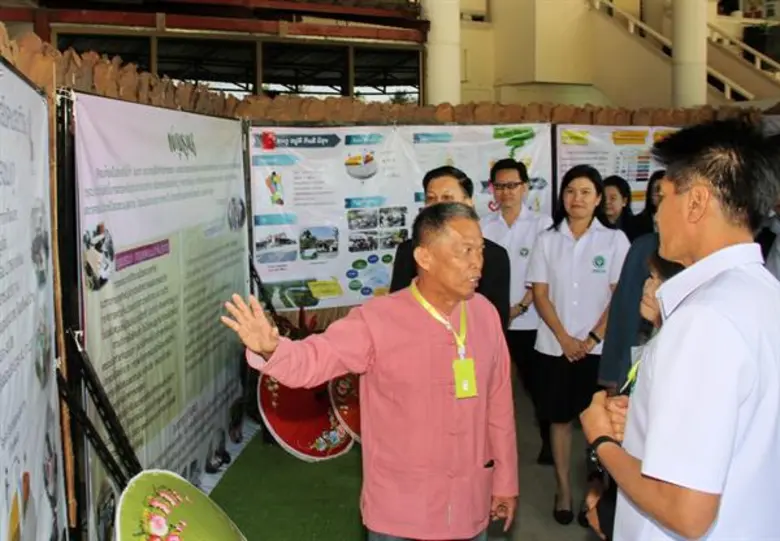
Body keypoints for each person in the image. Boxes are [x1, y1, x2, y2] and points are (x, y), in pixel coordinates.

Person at [223, 202, 519, 541]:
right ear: (424, 258)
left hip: (470, 506)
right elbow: (316, 358)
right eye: (465, 251)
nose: (477, 263)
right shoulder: (378, 319)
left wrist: (506, 480)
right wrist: (271, 349)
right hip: (401, 512)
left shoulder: (484, 315)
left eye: (480, 250)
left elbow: (499, 406)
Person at [580, 118, 780, 540]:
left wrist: (602, 442)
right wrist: (647, 421)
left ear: (696, 203)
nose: (657, 213)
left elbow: (686, 511)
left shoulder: (704, 319)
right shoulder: (762, 294)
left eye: (664, 196)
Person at [527, 164, 629, 525]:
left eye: (586, 192)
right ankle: (563, 491)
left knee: (597, 423)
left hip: (597, 351)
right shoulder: (547, 239)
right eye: (570, 191)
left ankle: (595, 491)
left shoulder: (615, 241)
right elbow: (539, 293)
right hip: (555, 347)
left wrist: (590, 339)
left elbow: (619, 297)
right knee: (558, 419)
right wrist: (565, 338)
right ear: (562, 197)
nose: (577, 198)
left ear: (599, 198)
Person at [584, 250, 684, 541]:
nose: (647, 287)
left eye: (658, 280)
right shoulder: (652, 337)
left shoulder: (679, 351)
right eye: (649, 277)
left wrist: (602, 437)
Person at [480, 158, 553, 465]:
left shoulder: (543, 224)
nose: (506, 192)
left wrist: (520, 306)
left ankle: (550, 442)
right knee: (492, 390)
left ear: (524, 187)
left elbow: (545, 274)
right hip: (492, 322)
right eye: (500, 186)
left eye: (512, 185)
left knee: (539, 388)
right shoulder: (483, 226)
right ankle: (492, 448)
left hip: (531, 320)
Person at [390, 166, 511, 329]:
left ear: (468, 203)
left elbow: (496, 321)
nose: (438, 206)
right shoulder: (409, 251)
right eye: (431, 199)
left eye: (447, 198)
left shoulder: (495, 256)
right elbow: (398, 311)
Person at [629, 170, 663, 239]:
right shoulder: (635, 223)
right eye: (657, 190)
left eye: (665, 190)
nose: (661, 194)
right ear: (650, 194)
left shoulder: (680, 222)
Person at [603, 176, 635, 240]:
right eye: (604, 198)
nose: (607, 202)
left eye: (612, 198)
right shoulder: (592, 225)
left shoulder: (636, 227)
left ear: (624, 201)